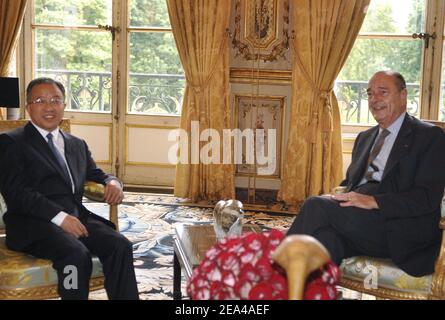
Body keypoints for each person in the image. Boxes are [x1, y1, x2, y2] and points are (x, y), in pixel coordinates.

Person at [287, 70, 445, 277]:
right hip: (358, 223)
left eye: (383, 92)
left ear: (403, 95)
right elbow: (350, 183)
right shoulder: (365, 137)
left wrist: (374, 201)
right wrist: (337, 196)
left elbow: (427, 198)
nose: (374, 100)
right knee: (325, 239)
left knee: (314, 205)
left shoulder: (429, 137)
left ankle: (271, 275)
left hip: (397, 228)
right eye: (370, 94)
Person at [0, 78, 139, 300]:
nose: (49, 107)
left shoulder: (76, 144)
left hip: (76, 218)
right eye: (40, 100)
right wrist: (60, 218)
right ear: (28, 107)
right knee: (75, 255)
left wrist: (113, 182)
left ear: (64, 105)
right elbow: (18, 193)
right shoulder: (11, 142)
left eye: (55, 100)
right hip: (33, 224)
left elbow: (96, 175)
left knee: (120, 245)